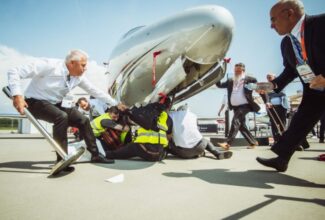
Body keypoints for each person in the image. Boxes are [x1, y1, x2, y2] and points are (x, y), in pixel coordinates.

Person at [7, 49, 126, 168]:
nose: (85, 69)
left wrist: (115, 103)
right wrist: (17, 95)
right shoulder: (50, 65)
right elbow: (14, 72)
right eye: (83, 65)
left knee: (83, 120)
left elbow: (95, 91)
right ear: (72, 63)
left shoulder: (78, 77)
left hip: (55, 103)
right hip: (34, 102)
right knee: (61, 117)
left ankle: (95, 155)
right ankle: (62, 158)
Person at [255, 0, 325, 172]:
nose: (271, 25)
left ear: (288, 13)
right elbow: (290, 71)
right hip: (315, 92)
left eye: (273, 19)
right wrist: (271, 86)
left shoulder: (321, 24)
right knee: (299, 121)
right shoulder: (287, 43)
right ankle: (282, 158)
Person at [105, 97, 173, 162]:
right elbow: (168, 137)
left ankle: (103, 153)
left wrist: (126, 111)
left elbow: (134, 119)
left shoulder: (147, 112)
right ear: (168, 107)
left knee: (116, 153)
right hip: (159, 155)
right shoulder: (169, 119)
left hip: (144, 150)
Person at [216, 62, 260, 150]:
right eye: (235, 70)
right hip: (235, 107)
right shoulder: (230, 80)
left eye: (238, 70)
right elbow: (220, 85)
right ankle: (253, 142)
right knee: (241, 125)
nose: (236, 72)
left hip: (245, 105)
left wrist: (265, 100)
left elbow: (258, 88)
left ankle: (227, 143)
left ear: (243, 70)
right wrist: (217, 77)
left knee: (235, 120)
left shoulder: (250, 79)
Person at [168, 105, 233, 160]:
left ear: (178, 110)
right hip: (199, 148)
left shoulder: (172, 115)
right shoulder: (194, 116)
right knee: (206, 140)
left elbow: (169, 133)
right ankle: (218, 154)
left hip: (182, 153)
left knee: (166, 143)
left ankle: (160, 154)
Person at [263, 73, 290, 143]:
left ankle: (284, 140)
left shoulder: (280, 84)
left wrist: (270, 93)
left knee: (282, 123)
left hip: (281, 107)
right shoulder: (267, 87)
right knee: (273, 124)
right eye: (267, 77)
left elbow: (282, 93)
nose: (268, 78)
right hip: (271, 108)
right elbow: (266, 96)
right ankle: (276, 140)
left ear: (275, 77)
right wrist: (268, 99)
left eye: (270, 77)